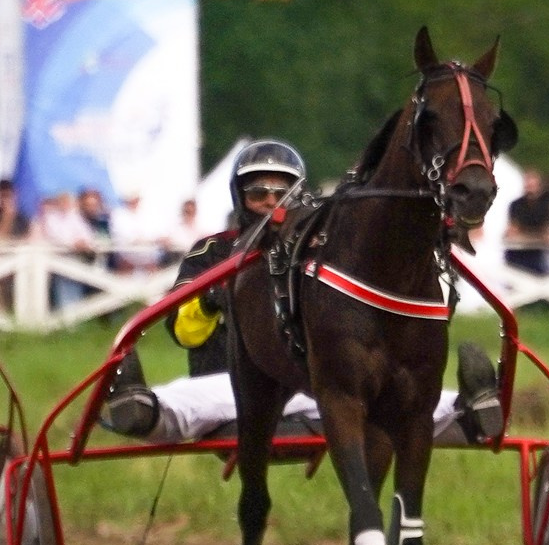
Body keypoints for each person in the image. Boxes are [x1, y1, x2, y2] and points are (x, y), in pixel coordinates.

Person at [98, 140, 504, 450]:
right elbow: (183, 334)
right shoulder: (214, 252)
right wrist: (209, 300)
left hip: (319, 388)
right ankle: (141, 410)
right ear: (240, 198)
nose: (271, 204)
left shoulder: (324, 251)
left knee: (398, 399)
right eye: (259, 194)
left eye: (283, 194)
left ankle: (471, 412)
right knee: (189, 401)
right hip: (232, 390)